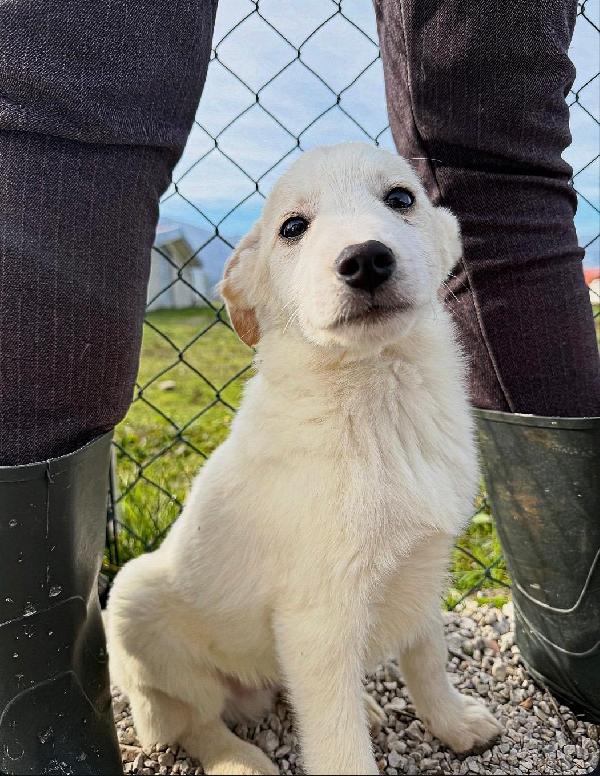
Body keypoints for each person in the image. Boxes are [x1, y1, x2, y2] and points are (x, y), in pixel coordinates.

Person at [0, 1, 598, 773]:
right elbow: (317, 622)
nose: (363, 249)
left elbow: (415, 585)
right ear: (253, 294)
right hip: (206, 642)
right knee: (142, 601)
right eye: (296, 228)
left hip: (289, 648)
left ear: (443, 244)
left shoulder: (440, 425)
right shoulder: (294, 443)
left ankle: (498, 668)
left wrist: (437, 704)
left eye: (396, 201)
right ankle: (201, 735)